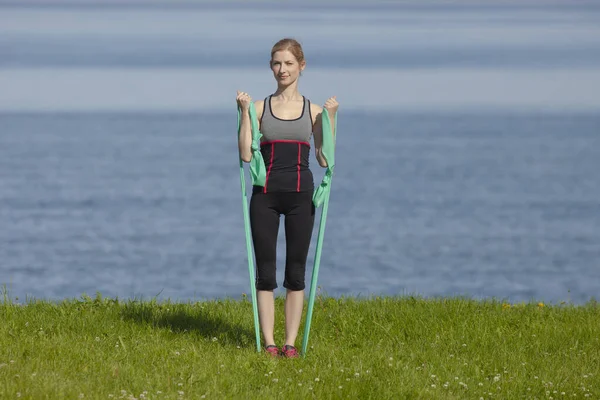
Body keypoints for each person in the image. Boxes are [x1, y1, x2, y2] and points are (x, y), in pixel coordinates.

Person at [236, 38, 338, 358]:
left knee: (295, 273)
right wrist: (242, 113)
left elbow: (324, 158)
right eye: (277, 63)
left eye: (289, 63)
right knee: (265, 272)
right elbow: (244, 153)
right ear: (271, 67)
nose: (283, 70)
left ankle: (290, 344)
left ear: (301, 66)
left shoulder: (315, 111)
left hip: (300, 198)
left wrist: (331, 118)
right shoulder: (258, 109)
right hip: (264, 197)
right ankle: (269, 343)